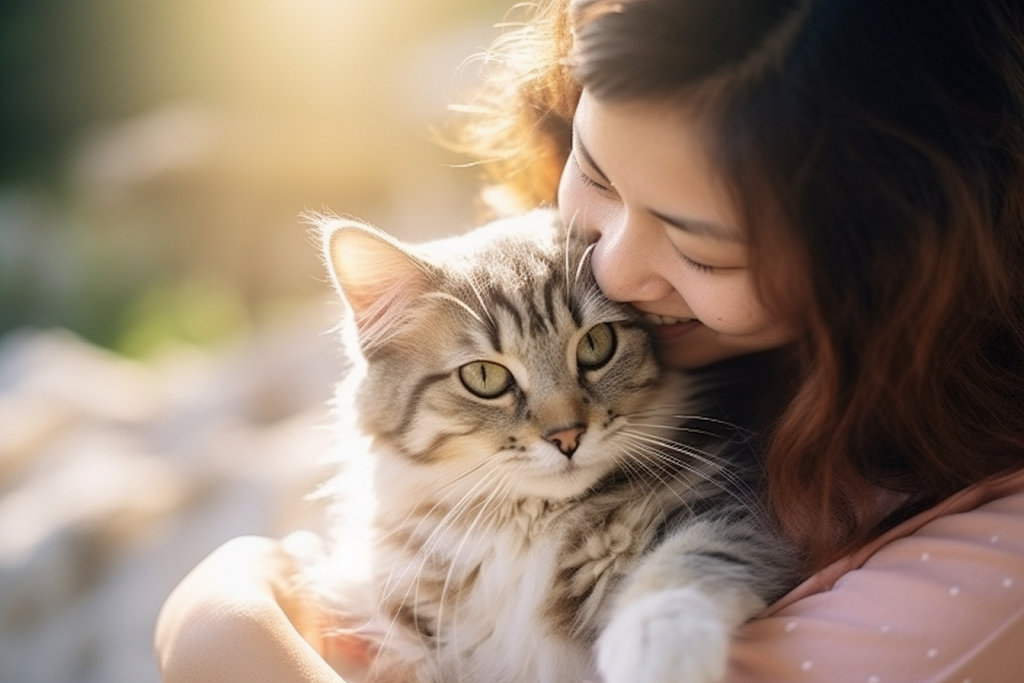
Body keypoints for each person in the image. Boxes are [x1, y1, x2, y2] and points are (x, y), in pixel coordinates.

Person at [154, 0, 1024, 681]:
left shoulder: (987, 565)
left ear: (889, 258)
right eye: (596, 170)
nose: (610, 268)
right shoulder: (597, 290)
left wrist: (219, 630)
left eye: (699, 247)